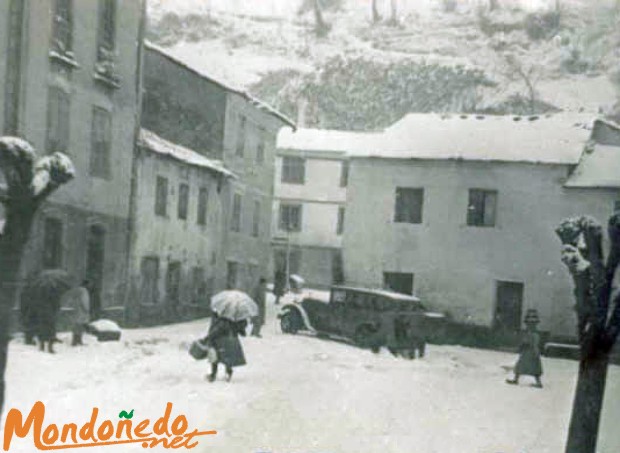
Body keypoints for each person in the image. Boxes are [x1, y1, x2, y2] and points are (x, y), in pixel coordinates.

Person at [201, 314, 247, 382]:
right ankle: (228, 373)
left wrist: (208, 337)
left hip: (219, 339)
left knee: (215, 357)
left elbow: (217, 329)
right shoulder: (237, 316)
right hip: (231, 339)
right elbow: (242, 331)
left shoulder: (220, 316)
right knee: (228, 356)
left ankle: (213, 375)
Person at [506, 309, 543, 388]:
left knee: (533, 368)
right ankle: (516, 379)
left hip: (531, 352)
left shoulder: (534, 334)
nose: (529, 325)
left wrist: (533, 350)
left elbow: (533, 343)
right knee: (520, 366)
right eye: (528, 323)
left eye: (531, 324)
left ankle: (538, 382)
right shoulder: (530, 333)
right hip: (527, 352)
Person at [61, 280, 91, 347]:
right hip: (82, 310)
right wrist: (87, 309)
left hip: (76, 310)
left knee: (76, 326)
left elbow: (70, 299)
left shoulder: (76, 290)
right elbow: (84, 301)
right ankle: (78, 341)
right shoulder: (84, 291)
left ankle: (75, 340)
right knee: (80, 326)